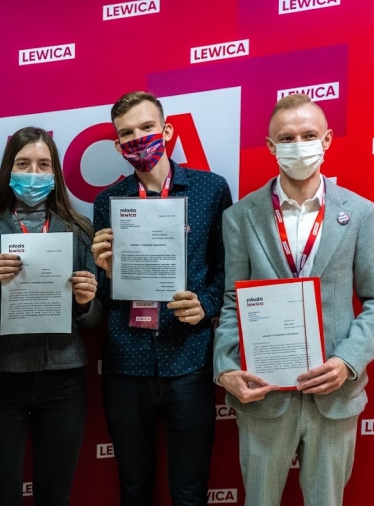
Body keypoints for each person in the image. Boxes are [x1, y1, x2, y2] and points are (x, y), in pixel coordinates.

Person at [212, 93, 374, 505]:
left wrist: (347, 361)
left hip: (333, 396)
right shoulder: (240, 216)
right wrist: (225, 366)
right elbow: (231, 301)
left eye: (308, 135)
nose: (299, 145)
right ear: (270, 146)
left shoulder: (359, 212)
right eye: (287, 138)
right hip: (264, 395)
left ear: (327, 140)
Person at [91, 91, 232, 505]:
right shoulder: (107, 202)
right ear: (118, 145)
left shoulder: (209, 189)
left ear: (167, 131)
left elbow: (226, 270)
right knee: (134, 489)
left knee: (189, 492)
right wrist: (108, 275)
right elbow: (101, 298)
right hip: (126, 362)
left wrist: (205, 305)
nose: (138, 138)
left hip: (188, 360)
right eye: (127, 133)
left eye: (147, 127)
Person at [0, 127, 102, 505]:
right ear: (9, 171)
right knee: (1, 496)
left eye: (43, 165)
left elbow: (93, 321)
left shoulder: (79, 229)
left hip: (63, 380)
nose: (33, 173)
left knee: (55, 497)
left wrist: (86, 301)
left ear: (55, 173)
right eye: (23, 164)